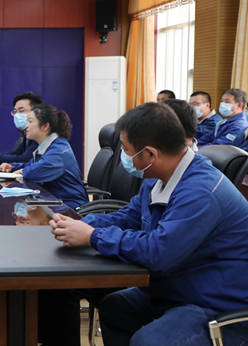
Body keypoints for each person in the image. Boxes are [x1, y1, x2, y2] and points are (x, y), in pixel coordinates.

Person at [49, 102, 248, 346]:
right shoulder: (159, 179)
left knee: (149, 341)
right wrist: (79, 224)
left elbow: (158, 251)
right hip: (178, 286)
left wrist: (93, 236)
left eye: (126, 149)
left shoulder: (200, 191)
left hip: (215, 303)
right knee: (115, 307)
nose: (123, 156)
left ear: (151, 154)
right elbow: (129, 217)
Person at [0, 103, 88, 209]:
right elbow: (31, 165)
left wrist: (23, 171)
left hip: (70, 206)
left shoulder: (58, 149)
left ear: (45, 126)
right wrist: (11, 167)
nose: (26, 126)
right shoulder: (46, 146)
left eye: (30, 121)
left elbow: (38, 170)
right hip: (54, 200)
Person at [0, 92, 43, 166]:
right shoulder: (27, 132)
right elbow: (16, 153)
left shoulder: (40, 133)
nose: (17, 115)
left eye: (21, 111)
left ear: (36, 112)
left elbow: (24, 159)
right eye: (15, 112)